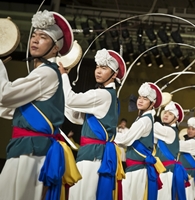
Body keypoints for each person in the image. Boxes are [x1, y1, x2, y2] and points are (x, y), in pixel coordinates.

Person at [0, 10, 81, 200]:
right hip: (25, 149)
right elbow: (12, 108)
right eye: (34, 35)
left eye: (43, 37)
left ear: (55, 48)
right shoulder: (42, 73)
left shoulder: (47, 73)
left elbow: (4, 95)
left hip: (31, 153)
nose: (34, 40)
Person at [60, 48, 126, 200]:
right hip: (92, 155)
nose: (98, 71)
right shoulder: (108, 95)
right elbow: (76, 117)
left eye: (104, 68)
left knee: (84, 196)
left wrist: (63, 75)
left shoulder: (102, 95)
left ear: (114, 74)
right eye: (97, 67)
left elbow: (71, 100)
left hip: (93, 157)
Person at [114, 82, 166, 200]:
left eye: (145, 99)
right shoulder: (143, 119)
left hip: (138, 171)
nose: (140, 101)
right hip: (134, 169)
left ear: (152, 103)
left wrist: (109, 133)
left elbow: (125, 139)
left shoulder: (144, 121)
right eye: (139, 97)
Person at [154, 101, 189, 200]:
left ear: (176, 118)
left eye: (170, 114)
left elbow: (153, 128)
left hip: (166, 172)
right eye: (165, 112)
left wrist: (151, 115)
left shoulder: (169, 131)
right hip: (161, 170)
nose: (166, 115)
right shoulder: (165, 130)